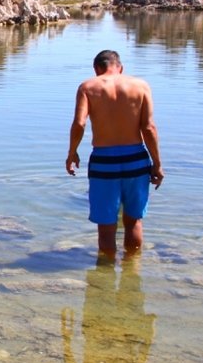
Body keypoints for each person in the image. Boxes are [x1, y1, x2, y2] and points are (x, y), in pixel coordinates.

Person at [66, 50, 163, 257]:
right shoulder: (141, 86)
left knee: (107, 224)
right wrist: (157, 163)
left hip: (103, 161)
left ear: (96, 70)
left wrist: (72, 152)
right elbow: (149, 128)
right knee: (133, 219)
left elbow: (79, 123)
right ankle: (132, 272)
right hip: (136, 159)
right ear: (121, 67)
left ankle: (105, 274)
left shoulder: (88, 87)